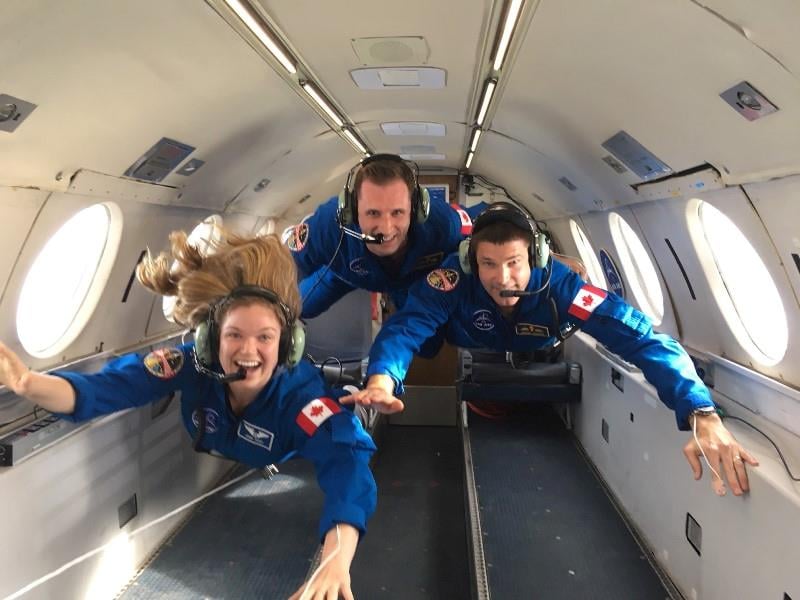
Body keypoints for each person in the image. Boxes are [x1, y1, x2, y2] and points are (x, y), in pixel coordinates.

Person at [0, 231, 376, 600]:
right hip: (237, 443)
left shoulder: (302, 398)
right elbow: (109, 387)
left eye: (265, 337)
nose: (249, 350)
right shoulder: (189, 363)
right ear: (210, 340)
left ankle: (353, 397)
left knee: (346, 426)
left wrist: (335, 560)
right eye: (234, 335)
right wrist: (28, 384)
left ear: (288, 343)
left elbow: (348, 461)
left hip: (293, 445)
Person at [343, 202, 759, 497]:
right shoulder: (453, 278)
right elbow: (405, 331)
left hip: (539, 342)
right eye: (487, 264)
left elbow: (644, 339)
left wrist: (700, 411)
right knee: (420, 330)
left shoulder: (563, 287)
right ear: (472, 261)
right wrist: (383, 377)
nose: (501, 277)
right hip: (459, 335)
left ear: (536, 257)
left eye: (513, 263)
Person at [287, 153, 484, 318]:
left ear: (416, 210)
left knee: (427, 347)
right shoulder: (327, 224)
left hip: (409, 281)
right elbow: (283, 267)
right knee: (295, 309)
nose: (386, 229)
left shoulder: (443, 224)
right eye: (373, 213)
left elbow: (482, 223)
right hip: (344, 271)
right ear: (352, 211)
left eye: (397, 212)